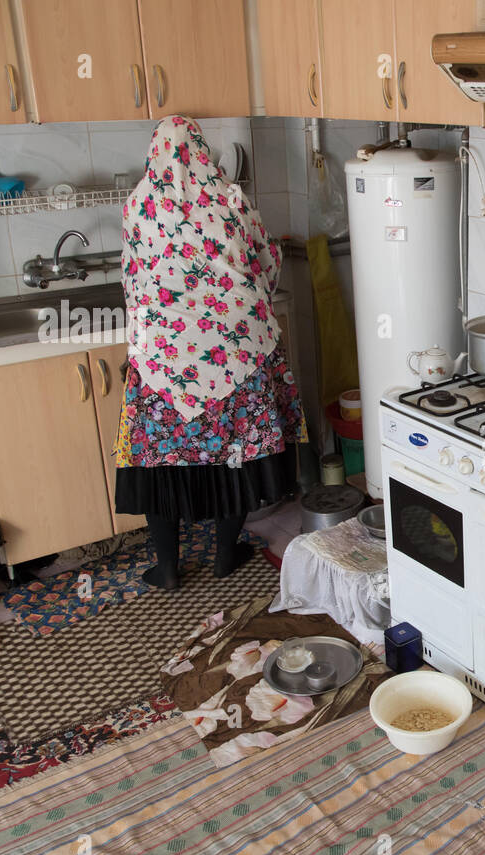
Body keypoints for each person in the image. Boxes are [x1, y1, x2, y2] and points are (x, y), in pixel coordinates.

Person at [113, 115, 305, 589]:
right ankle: (224, 554)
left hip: (162, 360)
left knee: (160, 461)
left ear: (153, 155)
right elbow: (266, 258)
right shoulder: (229, 200)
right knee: (233, 452)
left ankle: (168, 567)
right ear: (202, 151)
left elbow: (132, 281)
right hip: (235, 351)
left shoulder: (138, 205)